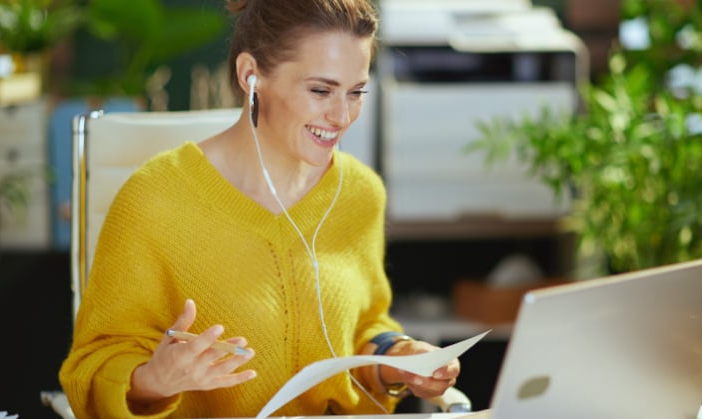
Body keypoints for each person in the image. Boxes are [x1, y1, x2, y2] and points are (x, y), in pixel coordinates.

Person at [58, 0, 461, 417]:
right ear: (251, 75)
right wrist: (153, 380)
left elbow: (363, 330)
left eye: (356, 92)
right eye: (320, 90)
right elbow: (90, 369)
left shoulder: (360, 193)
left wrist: (398, 357)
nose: (342, 116)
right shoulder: (154, 198)